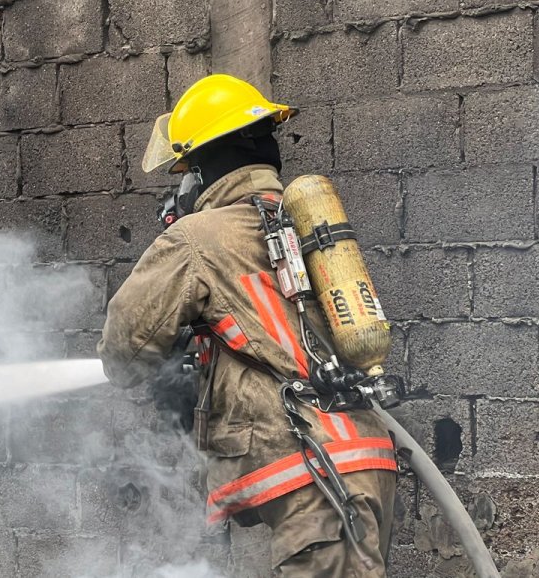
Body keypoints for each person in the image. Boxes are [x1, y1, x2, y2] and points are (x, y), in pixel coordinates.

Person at [96, 74, 398, 576]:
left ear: (204, 166)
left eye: (186, 169)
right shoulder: (303, 225)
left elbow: (123, 354)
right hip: (362, 460)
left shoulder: (195, 240)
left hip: (313, 475)